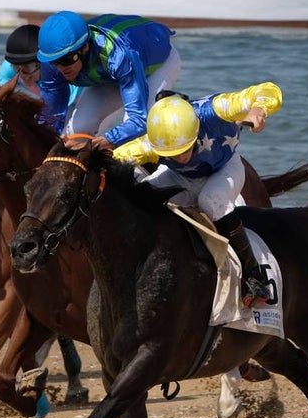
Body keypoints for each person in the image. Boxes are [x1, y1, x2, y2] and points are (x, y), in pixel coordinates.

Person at [112, 83, 283, 307]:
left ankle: (254, 276)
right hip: (181, 179)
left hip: (224, 169)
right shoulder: (151, 144)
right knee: (141, 198)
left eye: (185, 148)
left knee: (210, 200)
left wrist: (259, 109)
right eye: (173, 153)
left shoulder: (215, 110)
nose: (181, 156)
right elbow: (114, 157)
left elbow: (268, 90)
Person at [36, 11, 180, 151]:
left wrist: (110, 139)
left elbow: (138, 120)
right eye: (55, 62)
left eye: (67, 60)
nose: (61, 68)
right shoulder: (51, 62)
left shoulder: (118, 56)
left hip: (154, 66)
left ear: (84, 47)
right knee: (78, 130)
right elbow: (50, 118)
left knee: (135, 136)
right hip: (109, 76)